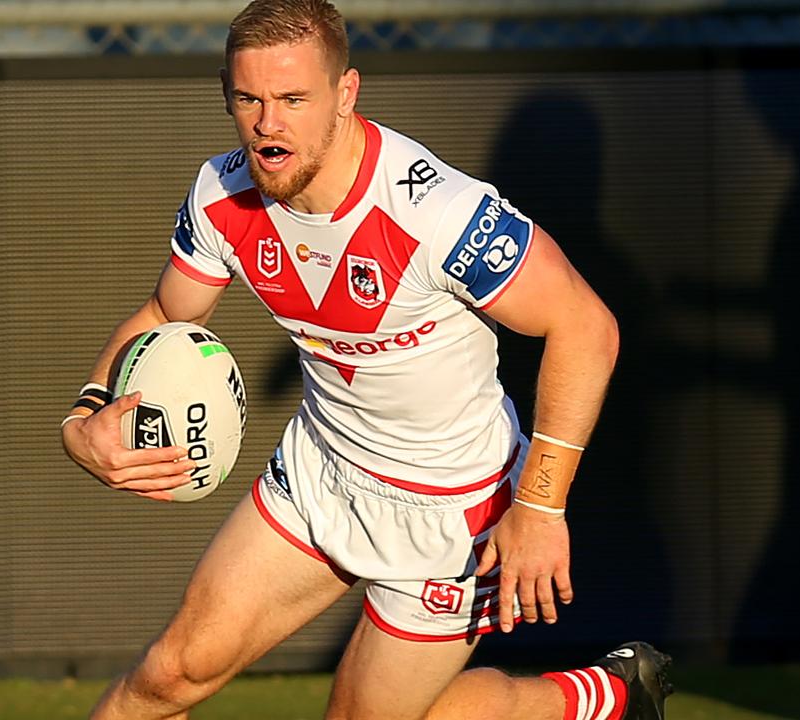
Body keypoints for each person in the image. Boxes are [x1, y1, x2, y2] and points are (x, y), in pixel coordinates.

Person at [59, 1, 673, 719]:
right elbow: (166, 315)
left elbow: (586, 327)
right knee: (167, 679)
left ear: (346, 93)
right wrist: (85, 416)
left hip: (454, 516)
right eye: (248, 99)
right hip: (319, 476)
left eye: (293, 99)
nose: (267, 123)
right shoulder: (222, 192)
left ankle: (600, 699)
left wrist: (539, 506)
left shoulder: (437, 212)